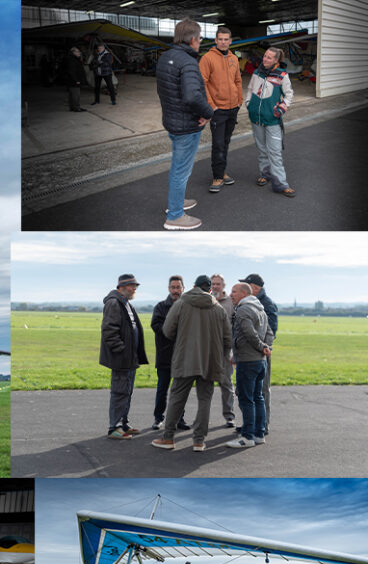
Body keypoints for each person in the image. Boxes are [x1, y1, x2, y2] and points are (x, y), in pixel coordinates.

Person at [151, 275, 230, 452]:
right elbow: (228, 339)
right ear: (210, 289)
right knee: (205, 400)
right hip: (210, 361)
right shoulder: (218, 309)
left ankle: (168, 438)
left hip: (184, 359)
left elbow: (167, 330)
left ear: (194, 286)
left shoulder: (181, 303)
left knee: (177, 398)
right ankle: (199, 441)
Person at [156, 18, 213, 230]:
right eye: (199, 39)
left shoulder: (166, 57)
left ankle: (176, 203)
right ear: (193, 40)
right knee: (181, 170)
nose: (200, 43)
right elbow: (192, 96)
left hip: (172, 122)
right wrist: (208, 113)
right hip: (187, 126)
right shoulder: (188, 62)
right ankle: (175, 216)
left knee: (178, 168)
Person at [99, 274, 148, 439]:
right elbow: (109, 330)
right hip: (121, 358)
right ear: (121, 286)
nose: (134, 288)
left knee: (127, 391)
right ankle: (114, 428)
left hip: (129, 357)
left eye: (135, 286)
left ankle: (123, 424)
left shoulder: (126, 303)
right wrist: (121, 350)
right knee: (120, 392)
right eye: (131, 286)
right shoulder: (114, 303)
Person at [226, 283, 273, 449]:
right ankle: (259, 434)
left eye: (234, 292)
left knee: (246, 400)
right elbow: (269, 333)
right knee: (257, 397)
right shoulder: (260, 309)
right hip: (260, 362)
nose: (231, 295)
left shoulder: (243, 309)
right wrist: (266, 348)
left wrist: (261, 347)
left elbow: (248, 332)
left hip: (248, 361)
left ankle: (247, 437)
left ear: (244, 293)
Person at [246, 47, 295, 197]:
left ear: (276, 61)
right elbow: (249, 89)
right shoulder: (257, 73)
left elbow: (289, 94)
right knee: (262, 149)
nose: (265, 59)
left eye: (269, 57)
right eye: (265, 56)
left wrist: (281, 108)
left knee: (274, 152)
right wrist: (249, 104)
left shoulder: (282, 75)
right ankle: (265, 174)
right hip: (256, 118)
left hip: (273, 120)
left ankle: (280, 183)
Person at [200, 27, 242, 193]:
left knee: (225, 142)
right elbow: (201, 83)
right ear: (216, 40)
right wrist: (212, 106)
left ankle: (222, 172)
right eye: (220, 39)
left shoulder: (234, 58)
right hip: (218, 110)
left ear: (230, 41)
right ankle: (217, 177)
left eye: (226, 39)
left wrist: (239, 101)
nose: (223, 42)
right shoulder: (207, 58)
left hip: (233, 109)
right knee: (218, 144)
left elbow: (238, 80)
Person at [149, 275, 190, 432]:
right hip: (165, 355)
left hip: (182, 357)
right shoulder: (160, 307)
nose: (175, 290)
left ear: (183, 288)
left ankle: (180, 418)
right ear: (168, 289)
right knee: (162, 389)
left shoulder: (188, 306)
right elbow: (156, 326)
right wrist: (174, 332)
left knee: (180, 390)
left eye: (178, 287)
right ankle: (158, 418)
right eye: (173, 287)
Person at [240, 273, 278, 433]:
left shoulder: (267, 304)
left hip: (261, 354)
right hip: (249, 354)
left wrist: (263, 348)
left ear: (256, 288)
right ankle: (251, 423)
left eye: (247, 287)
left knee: (262, 390)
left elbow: (271, 331)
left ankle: (263, 425)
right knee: (249, 391)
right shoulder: (252, 303)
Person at [210, 274, 236, 427]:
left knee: (226, 383)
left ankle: (229, 416)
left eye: (218, 284)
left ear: (223, 285)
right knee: (205, 384)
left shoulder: (231, 302)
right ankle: (202, 418)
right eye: (213, 284)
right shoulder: (207, 300)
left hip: (225, 349)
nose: (215, 287)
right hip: (208, 349)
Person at [65, 47, 87, 112]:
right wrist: (76, 80)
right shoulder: (72, 60)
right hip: (74, 80)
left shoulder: (73, 59)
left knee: (72, 95)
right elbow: (71, 71)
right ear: (73, 52)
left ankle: (72, 107)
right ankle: (77, 108)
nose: (79, 53)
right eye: (77, 51)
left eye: (79, 51)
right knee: (76, 95)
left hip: (72, 80)